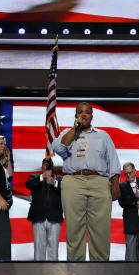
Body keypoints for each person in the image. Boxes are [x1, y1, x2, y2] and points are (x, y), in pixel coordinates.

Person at [53, 102, 122, 261]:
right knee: (74, 227)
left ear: (92, 116)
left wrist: (115, 183)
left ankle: (100, 267)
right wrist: (74, 129)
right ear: (76, 116)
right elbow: (59, 148)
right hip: (73, 182)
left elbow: (113, 160)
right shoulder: (67, 134)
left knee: (101, 227)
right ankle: (76, 268)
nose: (83, 115)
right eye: (80, 112)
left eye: (87, 112)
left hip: (99, 181)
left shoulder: (103, 135)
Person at [26, 158, 64, 261]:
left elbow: (66, 190)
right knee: (39, 250)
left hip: (54, 217)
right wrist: (42, 177)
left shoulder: (59, 179)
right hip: (38, 217)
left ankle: (53, 274)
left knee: (53, 250)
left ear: (53, 167)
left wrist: (54, 183)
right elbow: (28, 185)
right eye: (44, 164)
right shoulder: (35, 177)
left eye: (49, 164)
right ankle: (40, 273)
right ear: (42, 166)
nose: (46, 166)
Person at [118, 162, 139, 260]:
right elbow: (122, 202)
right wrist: (135, 200)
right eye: (126, 173)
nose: (128, 175)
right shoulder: (122, 186)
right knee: (131, 254)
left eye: (130, 172)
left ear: (135, 171)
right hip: (130, 223)